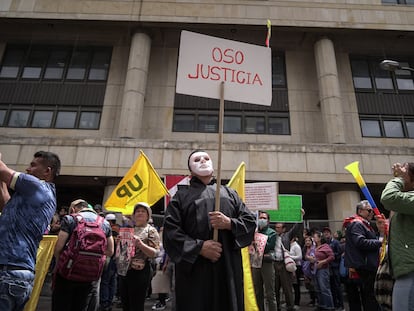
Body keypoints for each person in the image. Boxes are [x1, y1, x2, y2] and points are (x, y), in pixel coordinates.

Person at [163, 150, 256, 311]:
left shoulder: (230, 193)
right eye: (197, 159)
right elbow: (171, 233)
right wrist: (199, 248)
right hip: (195, 272)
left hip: (227, 270)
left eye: (206, 158)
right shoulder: (180, 197)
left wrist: (229, 223)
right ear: (190, 170)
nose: (203, 161)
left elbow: (249, 222)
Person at [0, 150, 61, 311]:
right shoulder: (38, 195)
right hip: (17, 274)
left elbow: (2, 170)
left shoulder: (36, 186)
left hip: (8, 271)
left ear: (47, 171)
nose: (27, 169)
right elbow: (6, 206)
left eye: (33, 165)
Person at [52, 199, 114, 311]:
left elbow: (58, 247)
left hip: (67, 273)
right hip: (89, 275)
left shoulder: (70, 219)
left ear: (73, 209)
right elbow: (110, 251)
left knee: (61, 305)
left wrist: (59, 262)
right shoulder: (104, 223)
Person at [380, 162, 414, 310]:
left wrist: (398, 179)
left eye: (405, 170)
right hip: (405, 269)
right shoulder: (407, 200)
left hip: (410, 270)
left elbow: (389, 198)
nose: (400, 171)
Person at [117, 202, 160, 311]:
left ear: (148, 216)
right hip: (124, 270)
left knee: (136, 305)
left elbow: (155, 253)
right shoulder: (129, 230)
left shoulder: (151, 230)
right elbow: (123, 252)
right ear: (133, 215)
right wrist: (120, 243)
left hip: (140, 271)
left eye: (143, 211)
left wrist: (140, 244)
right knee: (125, 304)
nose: (140, 213)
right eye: (137, 211)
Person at [344, 200, 382, 311]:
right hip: (363, 266)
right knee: (368, 297)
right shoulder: (357, 224)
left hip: (364, 265)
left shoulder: (363, 224)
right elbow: (360, 242)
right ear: (360, 211)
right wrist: (380, 242)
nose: (372, 213)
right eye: (369, 210)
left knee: (366, 297)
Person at [273, 220, 303, 311]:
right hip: (274, 263)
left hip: (284, 264)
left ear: (284, 229)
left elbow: (296, 227)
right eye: (276, 227)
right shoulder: (271, 236)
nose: (277, 229)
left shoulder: (287, 235)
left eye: (279, 227)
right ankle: (276, 307)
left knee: (287, 288)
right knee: (275, 288)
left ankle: (290, 306)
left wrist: (300, 217)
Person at [251, 211, 277, 311]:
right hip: (256, 263)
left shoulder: (272, 233)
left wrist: (256, 242)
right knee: (257, 291)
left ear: (268, 221)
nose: (262, 220)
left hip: (266, 263)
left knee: (270, 292)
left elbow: (268, 247)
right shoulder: (255, 231)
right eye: (260, 218)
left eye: (264, 218)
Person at [308, 231, 335, 311]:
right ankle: (321, 304)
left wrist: (323, 261)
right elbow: (307, 255)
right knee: (318, 288)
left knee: (324, 288)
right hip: (315, 269)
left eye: (315, 237)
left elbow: (332, 257)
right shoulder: (313, 247)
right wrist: (309, 258)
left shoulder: (325, 247)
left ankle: (329, 306)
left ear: (320, 238)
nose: (314, 238)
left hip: (323, 269)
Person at [99, 213, 120, 311]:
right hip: (117, 259)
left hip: (110, 258)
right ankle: (110, 302)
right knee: (112, 281)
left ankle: (104, 303)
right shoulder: (120, 229)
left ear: (110, 222)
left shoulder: (110, 230)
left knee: (105, 281)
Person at [322, 226, 344, 310]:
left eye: (327, 232)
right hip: (328, 267)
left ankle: (341, 305)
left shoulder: (335, 242)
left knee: (337, 286)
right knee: (331, 287)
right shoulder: (325, 243)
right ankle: (335, 304)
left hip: (335, 267)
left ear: (330, 233)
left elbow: (339, 253)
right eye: (324, 232)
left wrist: (330, 256)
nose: (326, 233)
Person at [302, 235, 317, 307]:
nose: (307, 242)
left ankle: (316, 301)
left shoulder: (314, 249)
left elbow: (313, 259)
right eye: (306, 241)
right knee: (309, 286)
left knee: (314, 286)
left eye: (309, 241)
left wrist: (308, 258)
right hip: (305, 270)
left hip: (313, 270)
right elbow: (303, 259)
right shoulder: (304, 249)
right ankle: (312, 299)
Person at [289, 236, 302, 309]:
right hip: (291, 266)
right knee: (292, 285)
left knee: (296, 285)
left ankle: (297, 302)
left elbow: (299, 257)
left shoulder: (296, 246)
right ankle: (292, 302)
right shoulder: (290, 245)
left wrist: (290, 257)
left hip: (296, 266)